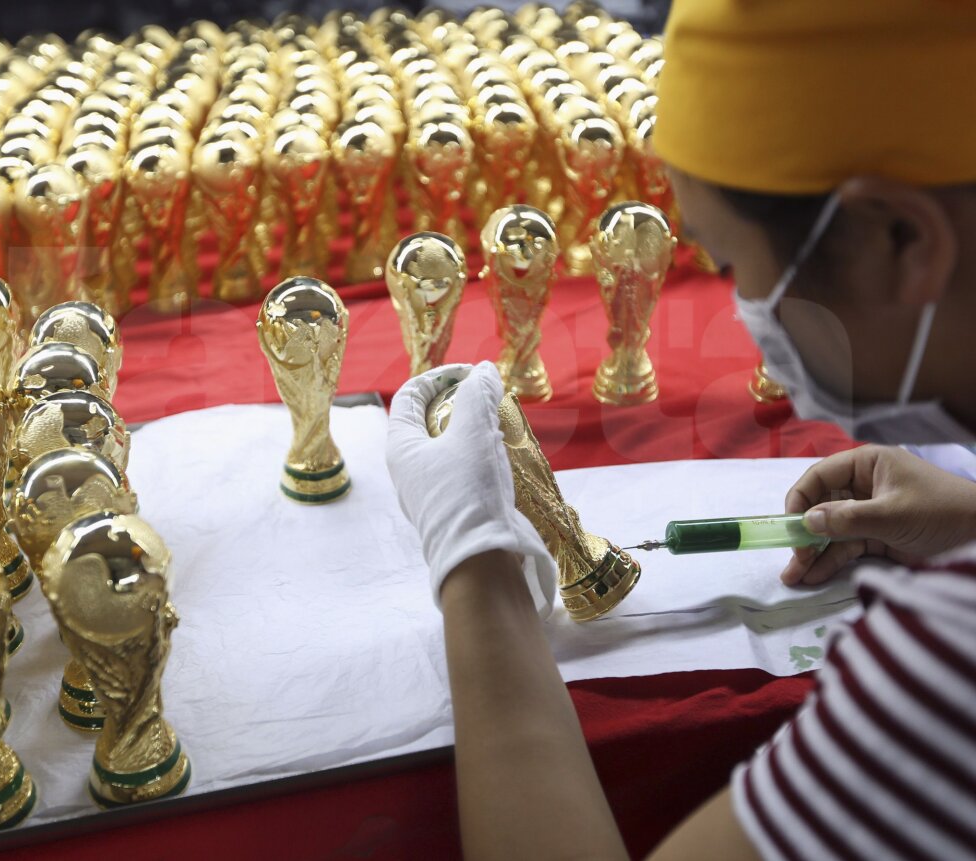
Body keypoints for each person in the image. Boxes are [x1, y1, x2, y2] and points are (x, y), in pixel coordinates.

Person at [384, 1, 976, 858]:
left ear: (903, 240)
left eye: (733, 260)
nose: (741, 308)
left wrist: (475, 566)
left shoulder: (951, 657)